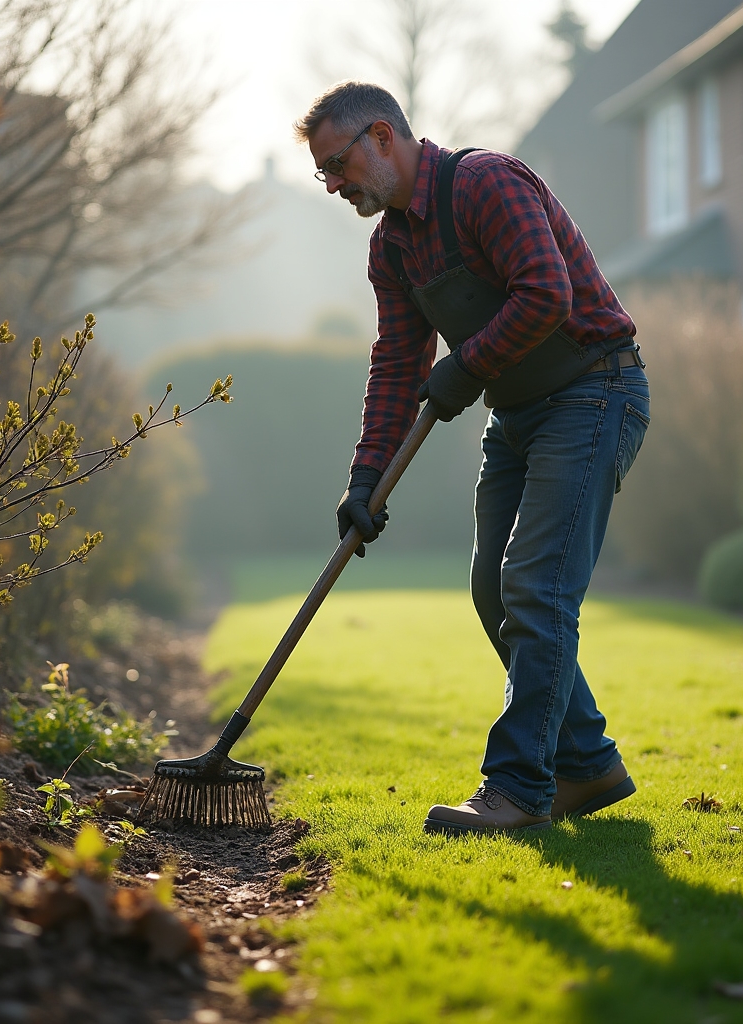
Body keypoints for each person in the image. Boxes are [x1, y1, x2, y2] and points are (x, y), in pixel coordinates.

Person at [294, 81, 651, 835]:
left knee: (535, 585)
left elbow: (546, 295)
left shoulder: (486, 183)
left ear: (382, 137)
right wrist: (365, 479)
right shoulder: (391, 246)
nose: (331, 184)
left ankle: (520, 788)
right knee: (494, 588)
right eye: (322, 172)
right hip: (518, 412)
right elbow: (396, 362)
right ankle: (588, 765)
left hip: (594, 391)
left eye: (337, 164)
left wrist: (465, 366)